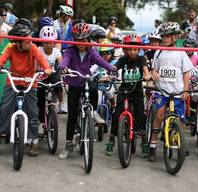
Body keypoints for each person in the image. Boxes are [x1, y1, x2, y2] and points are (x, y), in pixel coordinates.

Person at [58, 22, 115, 159]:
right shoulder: (70, 50)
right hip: (74, 83)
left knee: (94, 87)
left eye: (84, 39)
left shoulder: (92, 50)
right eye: (78, 40)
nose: (81, 43)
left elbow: (100, 61)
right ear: (74, 40)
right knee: (72, 114)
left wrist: (111, 69)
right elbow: (65, 60)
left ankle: (94, 112)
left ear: (88, 39)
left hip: (87, 81)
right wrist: (62, 67)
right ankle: (68, 144)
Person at [0, 20, 52, 156]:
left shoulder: (33, 48)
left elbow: (42, 60)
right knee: (6, 107)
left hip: (30, 82)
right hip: (13, 80)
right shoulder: (11, 48)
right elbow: (2, 59)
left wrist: (47, 68)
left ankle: (34, 141)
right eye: (27, 41)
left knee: (33, 111)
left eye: (30, 40)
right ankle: (3, 131)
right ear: (18, 43)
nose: (30, 43)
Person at [149, 22, 193, 162]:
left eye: (167, 36)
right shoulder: (159, 52)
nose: (164, 39)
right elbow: (154, 69)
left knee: (179, 120)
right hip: (162, 91)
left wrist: (186, 89)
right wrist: (154, 73)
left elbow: (186, 73)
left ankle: (179, 141)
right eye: (163, 36)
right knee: (159, 115)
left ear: (175, 37)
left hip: (178, 92)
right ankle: (153, 145)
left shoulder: (181, 53)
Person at [105, 34, 151, 157]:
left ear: (139, 50)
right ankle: (112, 139)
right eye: (129, 49)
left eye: (135, 49)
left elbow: (146, 70)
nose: (132, 52)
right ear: (125, 49)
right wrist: (110, 75)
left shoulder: (142, 59)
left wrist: (147, 76)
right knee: (116, 115)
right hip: (124, 91)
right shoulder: (123, 59)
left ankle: (144, 141)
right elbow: (115, 68)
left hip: (137, 92)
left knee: (141, 114)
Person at [37, 26, 67, 120]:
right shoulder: (39, 50)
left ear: (54, 42)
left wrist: (63, 69)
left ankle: (61, 103)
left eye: (50, 43)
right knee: (40, 100)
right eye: (46, 43)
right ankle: (42, 121)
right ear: (43, 42)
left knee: (58, 83)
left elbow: (61, 63)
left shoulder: (56, 51)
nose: (48, 45)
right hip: (40, 76)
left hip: (52, 75)